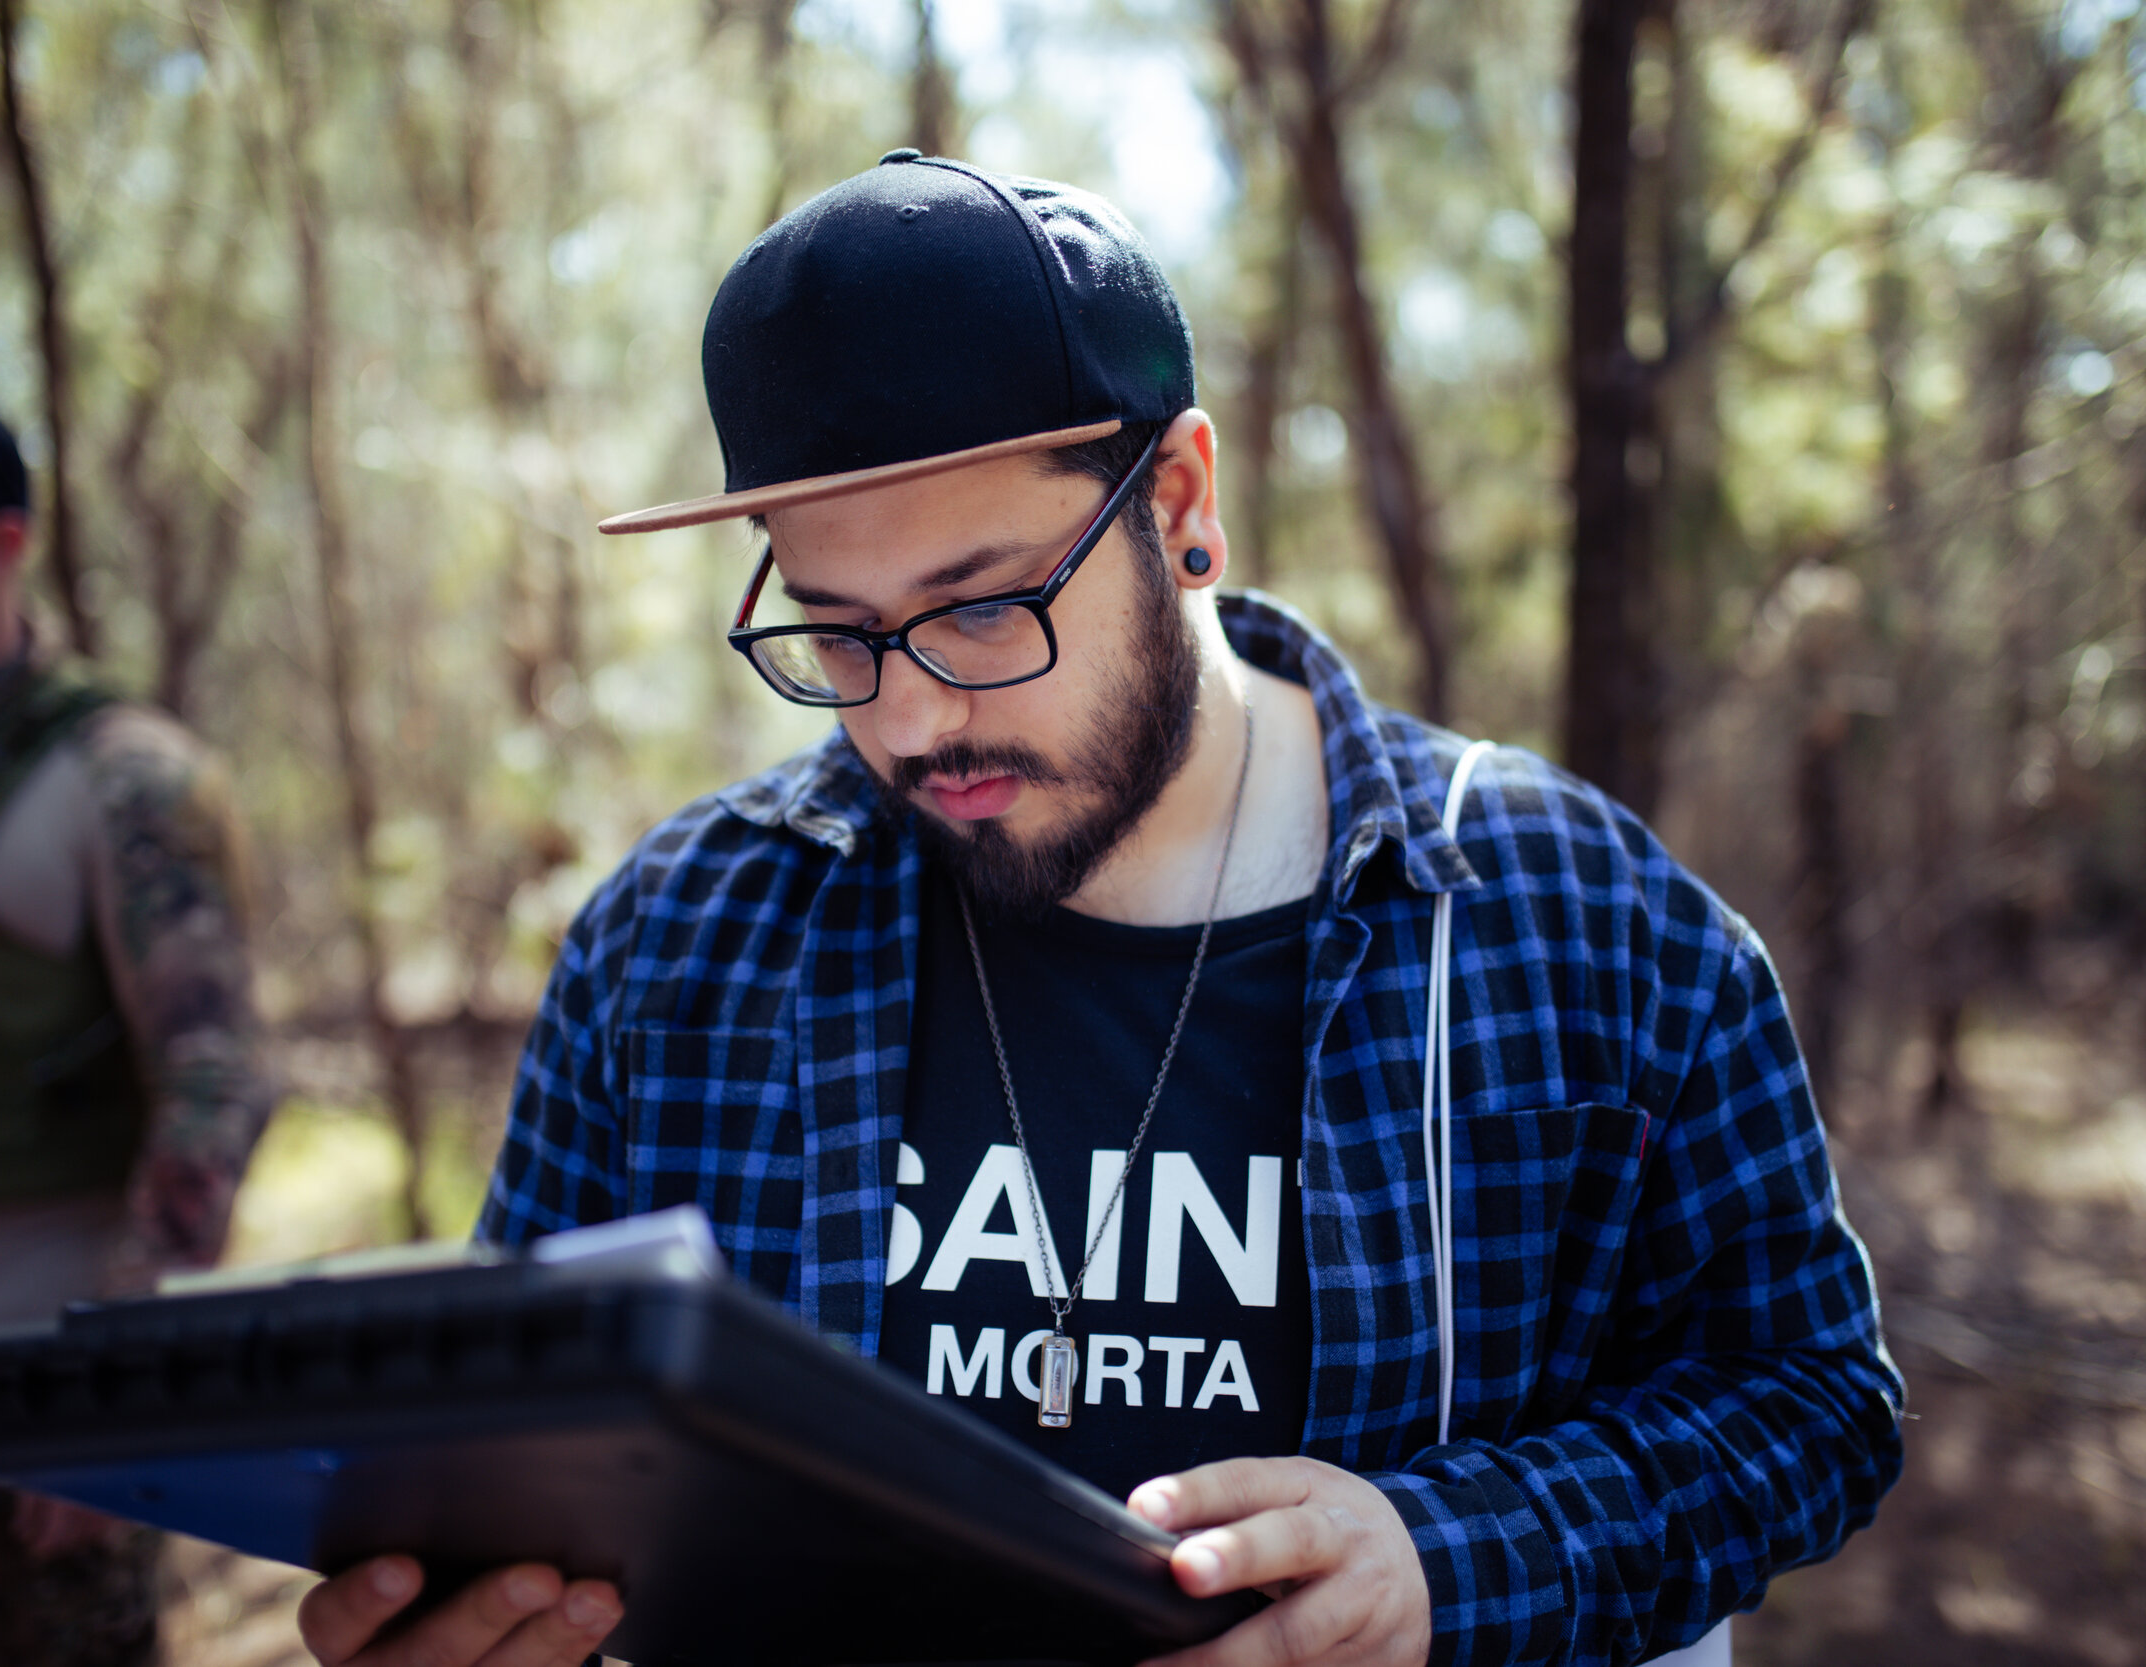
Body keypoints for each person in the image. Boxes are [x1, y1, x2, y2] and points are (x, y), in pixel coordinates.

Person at [296, 153, 1901, 1667]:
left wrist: (1448, 1559)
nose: (912, 721)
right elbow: (514, 1460)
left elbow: (1815, 1397)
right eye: (839, 636)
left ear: (1184, 503)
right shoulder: (679, 942)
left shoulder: (1575, 918)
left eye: (984, 610)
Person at [0, 366, 276, 1666]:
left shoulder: (125, 782)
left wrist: (111, 1396)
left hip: (27, 1419)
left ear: (2, 544)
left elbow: (218, 1083)